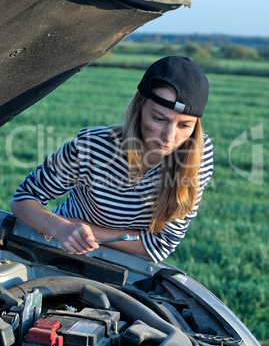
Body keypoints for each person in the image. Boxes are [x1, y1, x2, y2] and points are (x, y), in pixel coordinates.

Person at [10, 56, 213, 263]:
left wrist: (79, 226)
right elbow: (22, 199)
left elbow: (162, 244)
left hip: (132, 266)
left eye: (184, 126)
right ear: (139, 105)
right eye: (159, 119)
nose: (169, 137)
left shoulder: (199, 155)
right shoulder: (92, 146)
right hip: (62, 248)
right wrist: (59, 227)